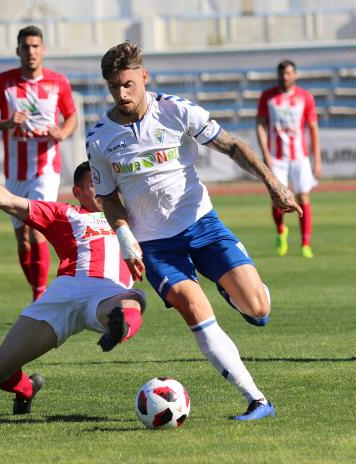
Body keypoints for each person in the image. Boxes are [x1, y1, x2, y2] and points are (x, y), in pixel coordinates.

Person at [86, 42, 301, 421]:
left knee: (259, 308)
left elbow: (232, 146)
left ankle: (233, 289)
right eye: (113, 87)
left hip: (202, 224)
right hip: (155, 245)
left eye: (128, 84)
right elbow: (108, 199)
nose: (121, 94)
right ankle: (257, 400)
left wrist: (274, 184)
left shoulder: (175, 110)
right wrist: (124, 237)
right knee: (193, 307)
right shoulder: (100, 138)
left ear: (144, 76)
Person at [0, 143, 146, 415]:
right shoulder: (64, 213)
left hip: (107, 294)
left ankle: (119, 330)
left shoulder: (134, 219)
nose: (101, 188)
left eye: (104, 182)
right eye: (93, 183)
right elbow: (6, 200)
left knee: (132, 301)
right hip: (63, 294)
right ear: (77, 191)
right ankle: (27, 389)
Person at [0, 25, 78, 300]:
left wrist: (63, 132)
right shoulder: (4, 82)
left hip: (46, 168)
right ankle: (37, 290)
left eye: (35, 46)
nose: (31, 51)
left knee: (37, 231)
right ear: (18, 51)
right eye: (26, 47)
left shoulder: (58, 82)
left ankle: (41, 297)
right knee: (21, 237)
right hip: (15, 172)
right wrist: (7, 122)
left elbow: (71, 117)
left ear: (43, 50)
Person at [256, 60, 322, 258]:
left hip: (299, 157)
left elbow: (313, 128)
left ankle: (305, 244)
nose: (285, 77)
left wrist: (317, 158)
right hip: (276, 158)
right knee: (278, 198)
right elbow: (260, 124)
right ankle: (281, 231)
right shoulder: (268, 97)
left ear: (295, 75)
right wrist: (266, 153)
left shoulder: (305, 98)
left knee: (303, 197)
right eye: (282, 73)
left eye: (289, 73)